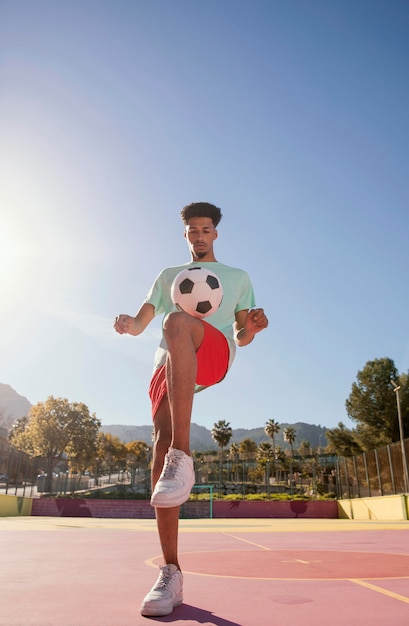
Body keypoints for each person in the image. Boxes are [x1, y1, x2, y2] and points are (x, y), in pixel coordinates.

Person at [114, 202, 268, 617]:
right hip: (169, 362)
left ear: (215, 234)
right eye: (192, 231)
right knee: (159, 448)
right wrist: (129, 324)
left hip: (213, 351)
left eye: (206, 229)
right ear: (184, 235)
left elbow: (240, 331)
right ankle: (171, 572)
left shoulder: (238, 278)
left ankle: (185, 453)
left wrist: (249, 328)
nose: (199, 236)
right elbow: (145, 321)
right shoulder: (169, 277)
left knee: (177, 323)